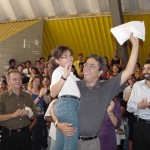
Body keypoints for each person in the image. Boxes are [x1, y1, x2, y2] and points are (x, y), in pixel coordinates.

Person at [51, 33, 139, 150]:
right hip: (72, 141)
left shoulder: (107, 88)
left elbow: (129, 71)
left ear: (100, 72)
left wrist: (135, 45)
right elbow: (53, 106)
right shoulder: (74, 85)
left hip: (93, 144)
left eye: (91, 66)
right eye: (86, 64)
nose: (86, 68)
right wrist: (58, 124)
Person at [50, 45, 80, 150]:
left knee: (60, 143)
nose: (70, 58)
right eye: (65, 56)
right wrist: (64, 76)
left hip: (65, 106)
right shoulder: (59, 72)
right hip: (68, 104)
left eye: (70, 55)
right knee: (71, 143)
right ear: (57, 60)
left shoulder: (70, 73)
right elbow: (53, 93)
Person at [0, 70, 36, 150]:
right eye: (14, 79)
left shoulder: (27, 96)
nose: (18, 81)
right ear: (8, 81)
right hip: (9, 135)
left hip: (25, 134)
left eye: (19, 79)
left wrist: (29, 114)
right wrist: (13, 115)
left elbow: (34, 116)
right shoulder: (2, 97)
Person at [127, 59, 150, 150]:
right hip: (140, 125)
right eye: (144, 69)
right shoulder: (137, 86)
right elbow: (129, 108)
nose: (145, 71)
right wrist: (138, 106)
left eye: (149, 68)